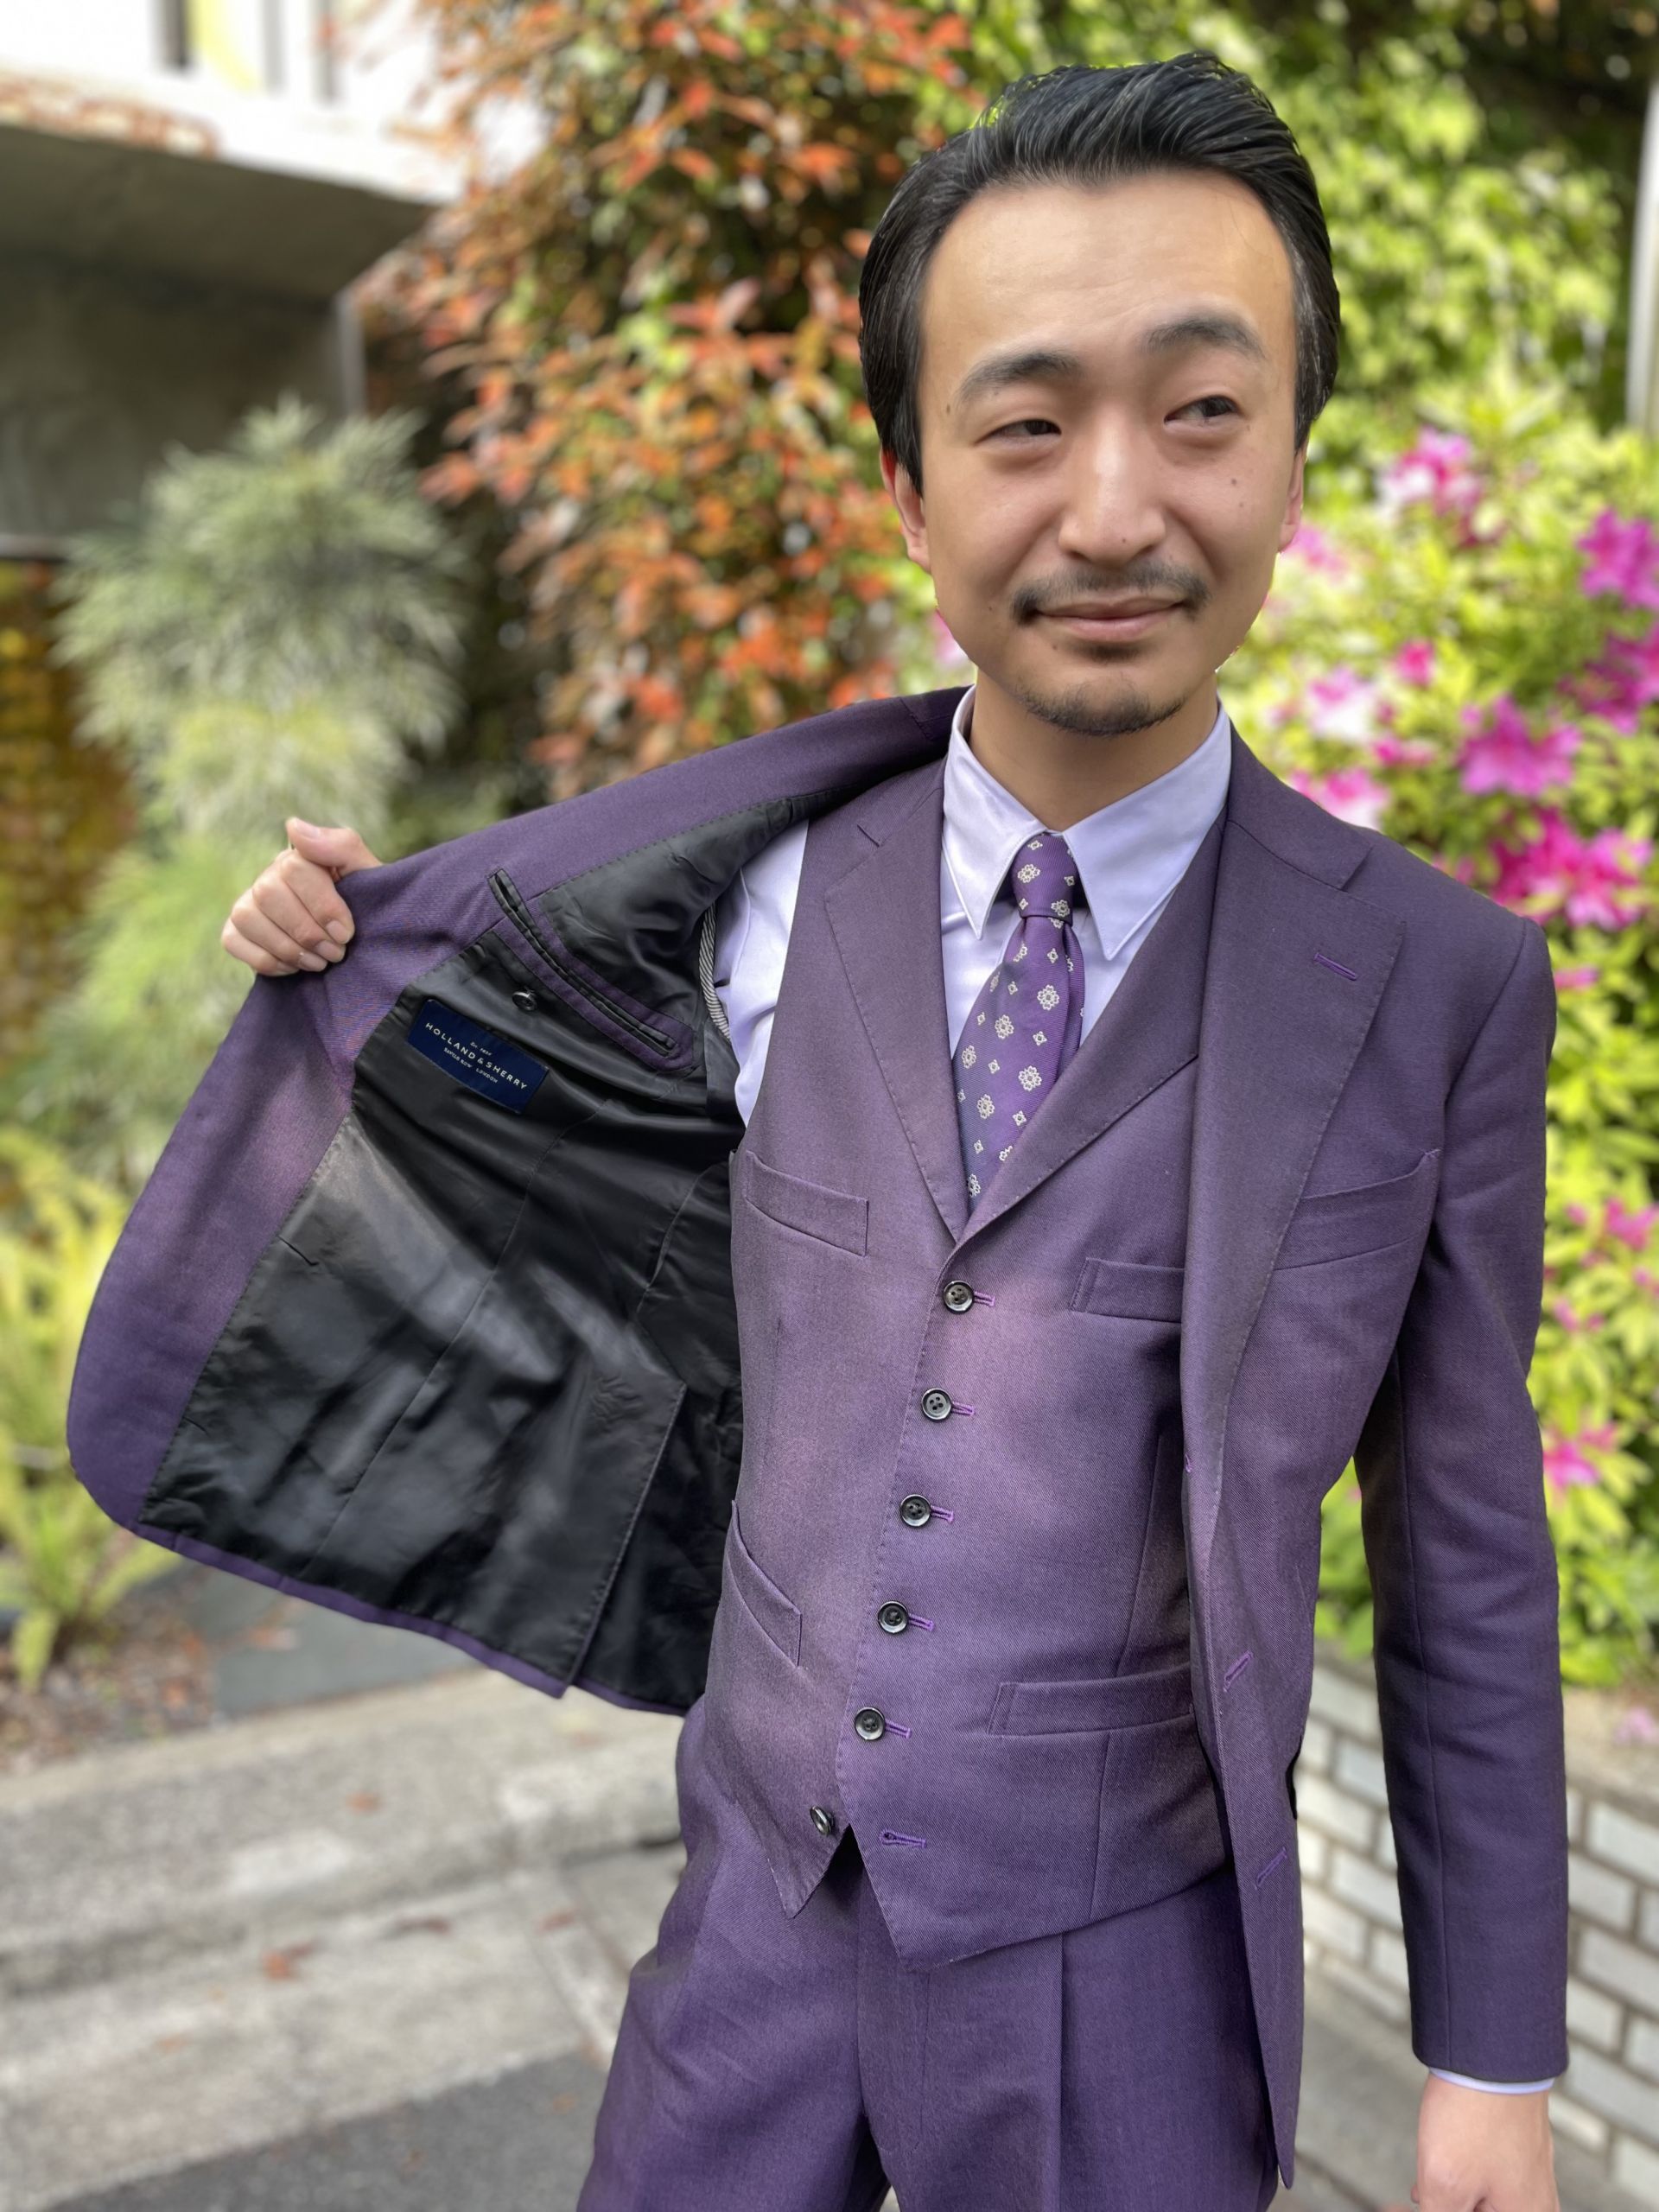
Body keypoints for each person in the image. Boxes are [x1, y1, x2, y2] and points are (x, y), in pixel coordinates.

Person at [74, 52, 1566, 2212]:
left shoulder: (1437, 985)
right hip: (754, 1906)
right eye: (1026, 423)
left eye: (1200, 409)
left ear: (1293, 456)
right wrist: (340, 951)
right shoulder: (752, 883)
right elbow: (527, 1121)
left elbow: (1466, 1557)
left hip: (1123, 1968)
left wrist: (1490, 2061)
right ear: (912, 486)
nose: (1115, 507)